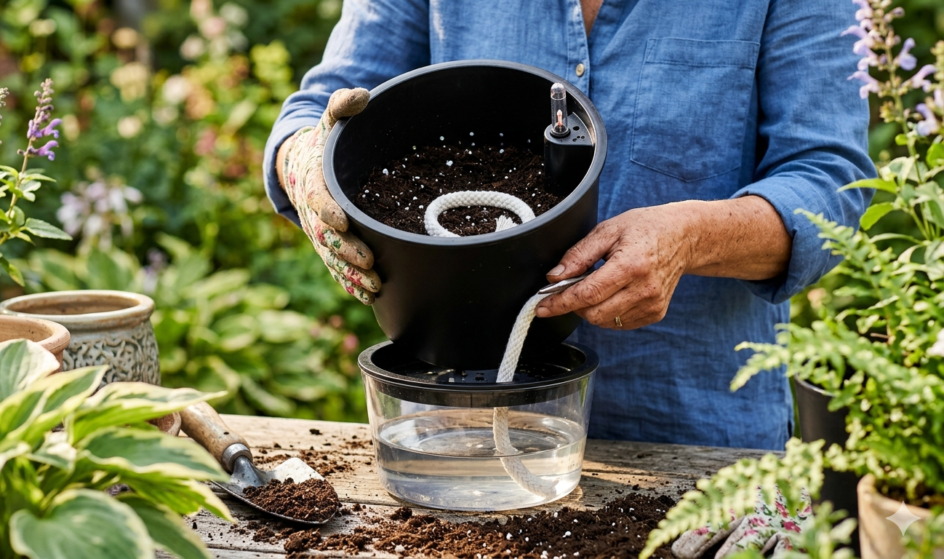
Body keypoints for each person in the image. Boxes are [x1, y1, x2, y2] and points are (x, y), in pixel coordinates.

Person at [264, 0, 875, 452]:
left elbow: (830, 184)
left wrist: (690, 237)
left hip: (697, 442)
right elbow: (317, 115)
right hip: (459, 433)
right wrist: (304, 168)